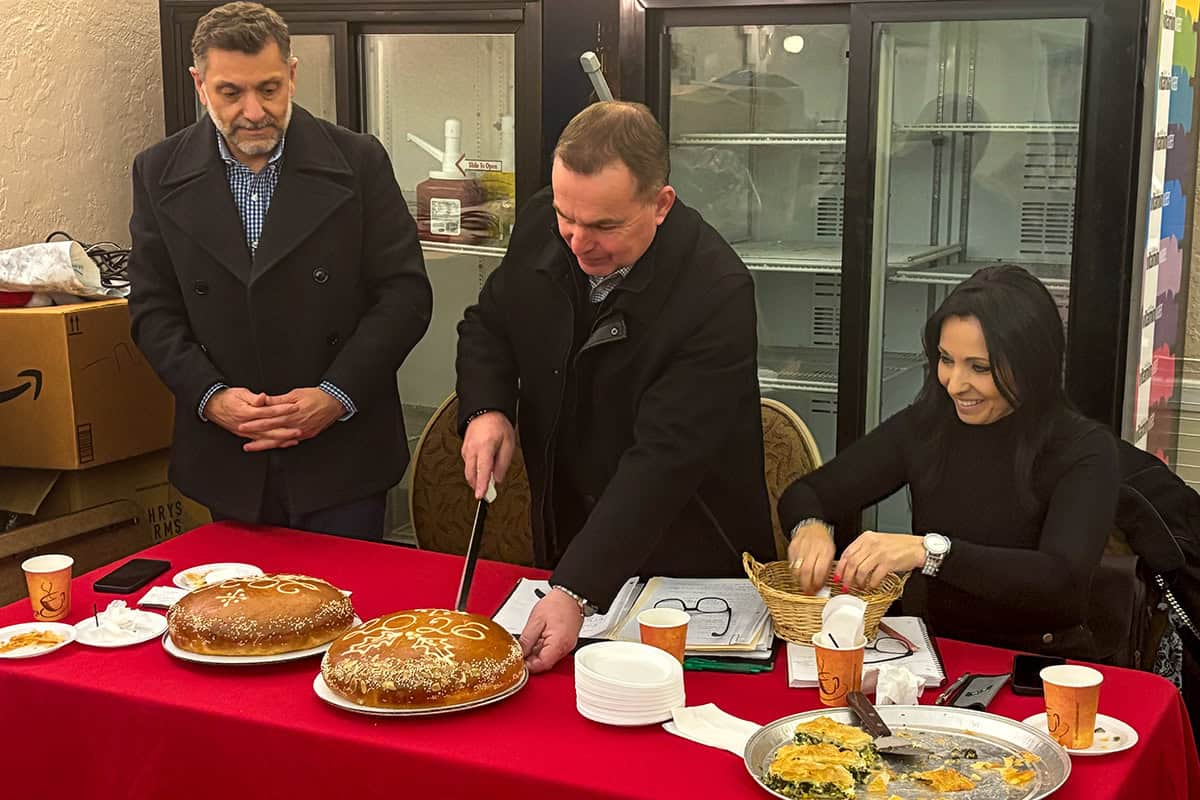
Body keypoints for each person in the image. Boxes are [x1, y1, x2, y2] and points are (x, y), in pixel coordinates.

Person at [456, 101, 775, 672]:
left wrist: (578, 587)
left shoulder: (715, 290)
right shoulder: (543, 225)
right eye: (566, 217)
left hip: (686, 556)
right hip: (569, 531)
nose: (578, 243)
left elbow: (667, 457)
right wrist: (487, 407)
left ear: (660, 204)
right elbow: (490, 325)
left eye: (604, 226)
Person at [128, 2, 431, 540]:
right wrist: (210, 397)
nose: (253, 111)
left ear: (292, 75)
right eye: (231, 92)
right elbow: (153, 308)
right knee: (240, 617)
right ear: (199, 85)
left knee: (350, 610)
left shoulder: (358, 161)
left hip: (341, 452)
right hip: (228, 452)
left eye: (268, 89)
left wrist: (335, 396)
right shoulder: (157, 171)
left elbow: (405, 296)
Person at [780, 265, 1118, 657]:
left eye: (980, 368)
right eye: (945, 360)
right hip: (927, 651)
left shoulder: (1084, 449)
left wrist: (930, 552)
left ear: (1031, 364)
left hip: (1036, 661)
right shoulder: (927, 426)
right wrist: (810, 527)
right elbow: (809, 492)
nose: (955, 385)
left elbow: (1061, 580)